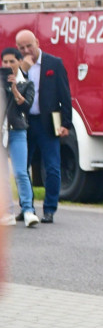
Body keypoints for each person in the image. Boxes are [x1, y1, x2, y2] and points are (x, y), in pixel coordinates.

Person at [14, 29, 72, 224]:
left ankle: (49, 209)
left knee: (53, 167)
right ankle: (26, 207)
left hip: (47, 122)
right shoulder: (18, 67)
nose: (26, 50)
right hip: (25, 123)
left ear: (37, 42)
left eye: (29, 46)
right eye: (21, 48)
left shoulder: (53, 64)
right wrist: (21, 70)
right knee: (22, 167)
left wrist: (66, 123)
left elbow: (65, 95)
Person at [2, 48, 37, 227]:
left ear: (19, 62)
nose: (8, 65)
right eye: (5, 62)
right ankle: (7, 211)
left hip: (17, 131)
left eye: (12, 62)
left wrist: (15, 89)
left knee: (21, 172)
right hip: (2, 132)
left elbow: (26, 107)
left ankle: (28, 210)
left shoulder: (26, 84)